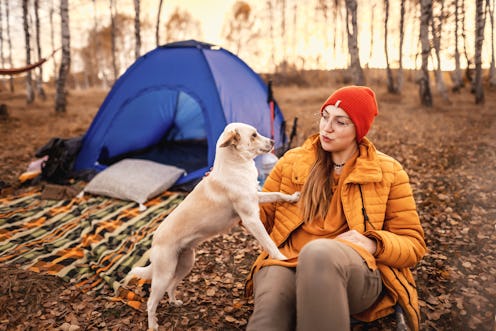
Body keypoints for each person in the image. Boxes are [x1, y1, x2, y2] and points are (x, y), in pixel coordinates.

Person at [245, 86, 427, 331]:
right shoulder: (291, 162)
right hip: (285, 261)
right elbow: (261, 220)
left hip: (354, 273)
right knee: (268, 317)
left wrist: (374, 243)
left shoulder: (388, 171)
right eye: (325, 116)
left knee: (318, 253)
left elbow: (413, 244)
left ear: (358, 130)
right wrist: (232, 197)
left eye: (340, 122)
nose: (326, 127)